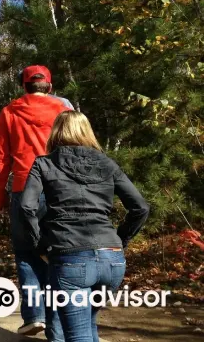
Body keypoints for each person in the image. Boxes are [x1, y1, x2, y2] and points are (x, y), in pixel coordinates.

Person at [19, 111, 149, 342]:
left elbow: (27, 208)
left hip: (71, 259)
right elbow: (140, 208)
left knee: (78, 335)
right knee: (88, 325)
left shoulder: (44, 163)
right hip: (113, 261)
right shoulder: (108, 164)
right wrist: (120, 240)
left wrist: (40, 245)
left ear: (56, 132)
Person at [0, 65, 72, 338]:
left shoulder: (9, 112)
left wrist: (0, 198)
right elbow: (76, 149)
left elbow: (1, 160)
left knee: (26, 253)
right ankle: (57, 327)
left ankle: (34, 316)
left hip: (24, 188)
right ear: (49, 86)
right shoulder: (64, 111)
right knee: (58, 256)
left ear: (24, 87)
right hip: (59, 190)